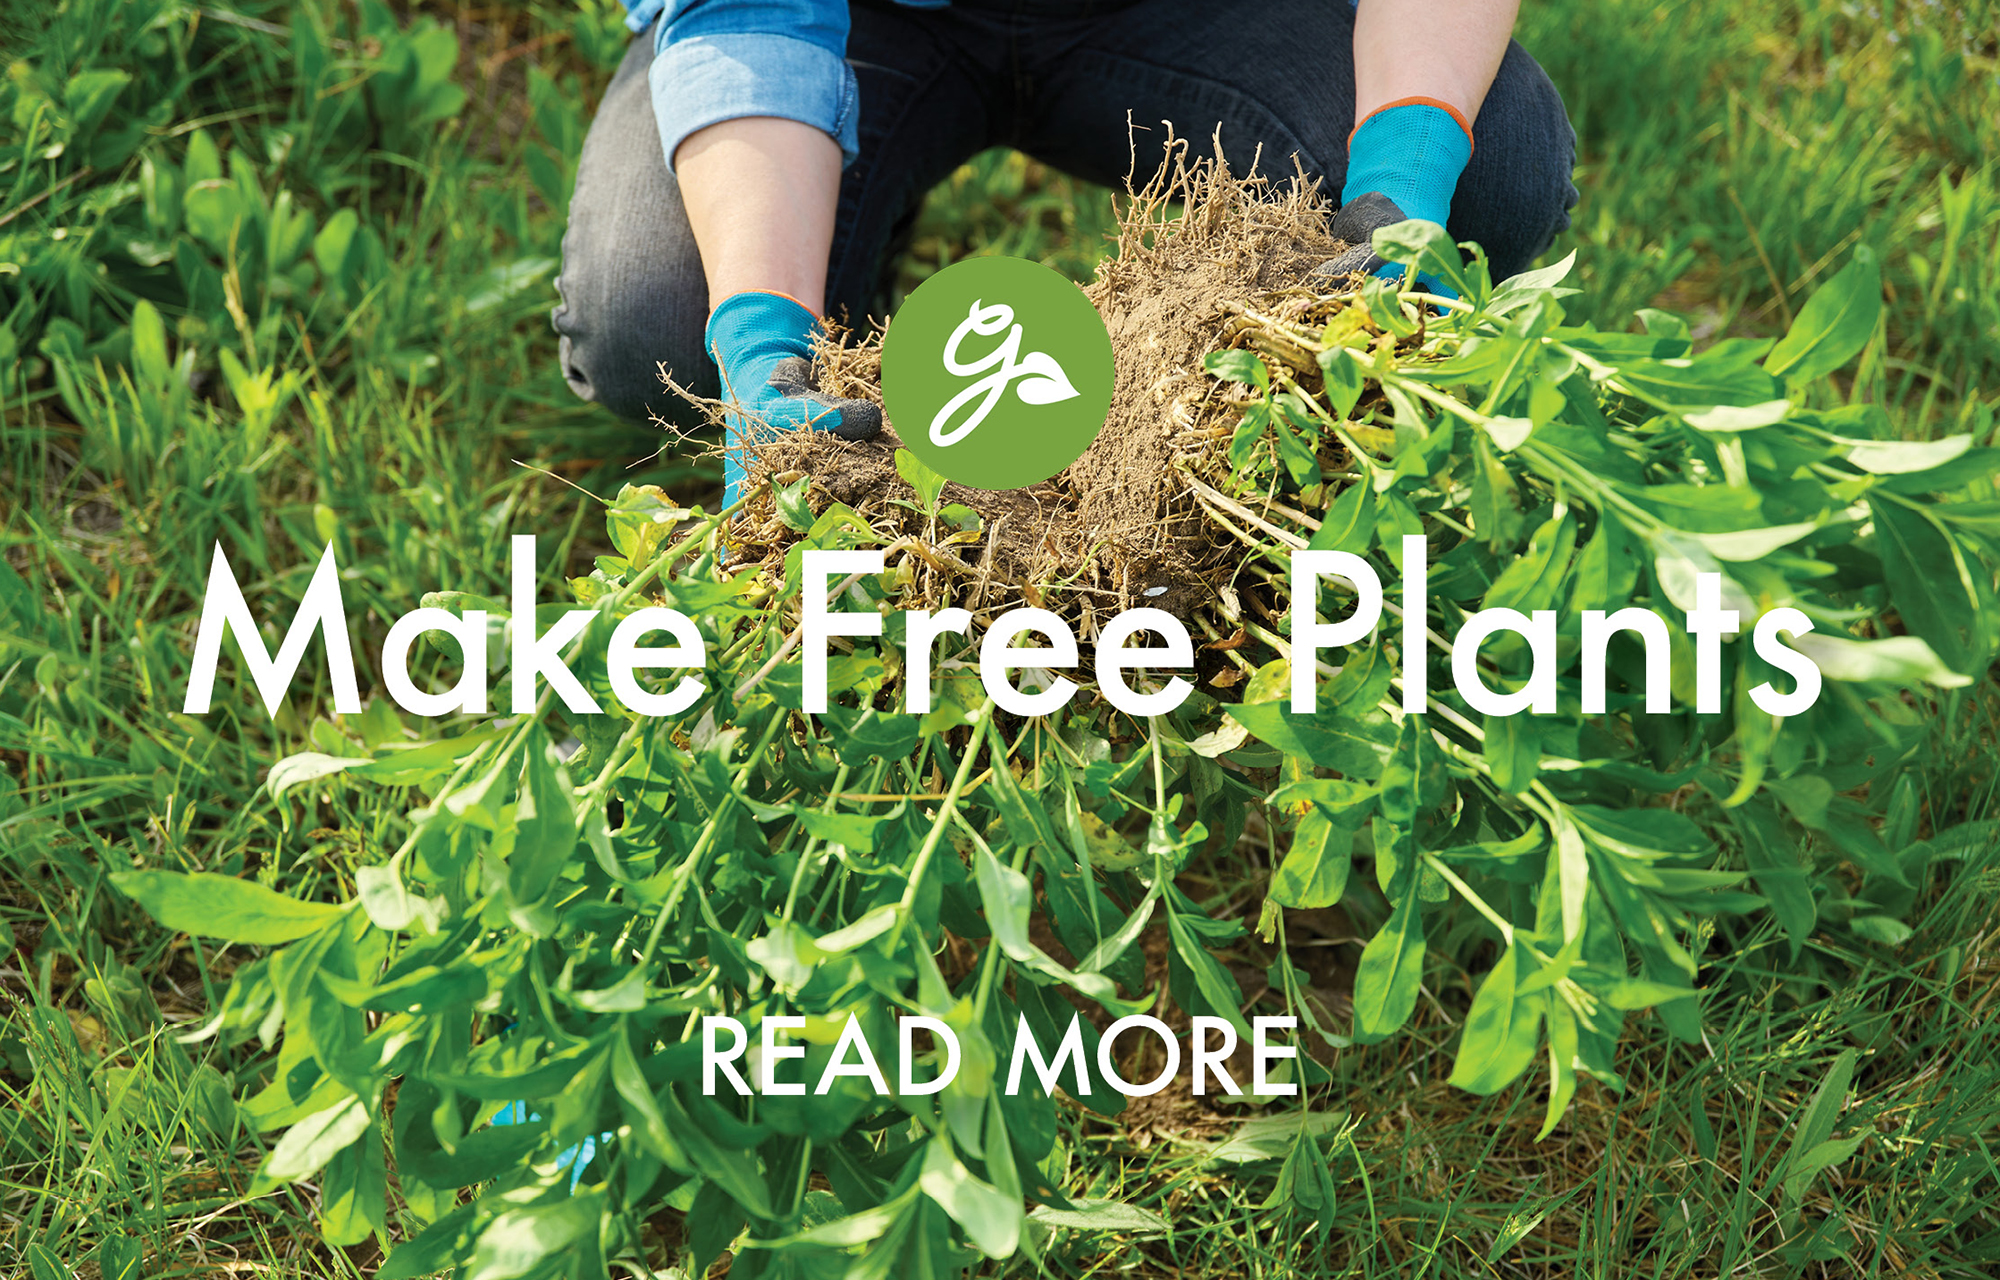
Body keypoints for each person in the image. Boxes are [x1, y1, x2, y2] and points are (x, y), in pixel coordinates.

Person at [551, 0, 1578, 506]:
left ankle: (1258, 425)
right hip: (869, 18)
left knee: (1492, 176)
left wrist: (1402, 175)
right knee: (659, 322)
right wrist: (760, 332)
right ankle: (842, 312)